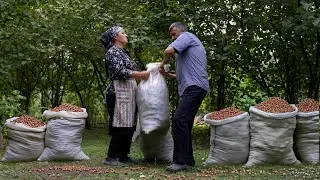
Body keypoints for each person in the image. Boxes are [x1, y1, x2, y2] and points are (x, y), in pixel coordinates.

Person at [159, 22, 209, 172]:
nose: (173, 38)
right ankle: (188, 159)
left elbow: (168, 51)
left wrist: (163, 64)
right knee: (185, 123)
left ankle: (180, 162)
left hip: (194, 87)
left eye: (174, 34)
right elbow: (183, 76)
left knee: (179, 119)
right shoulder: (186, 49)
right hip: (194, 87)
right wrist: (168, 75)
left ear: (181, 30)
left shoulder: (187, 36)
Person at [100, 25, 150, 166]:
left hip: (129, 92)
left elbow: (131, 71)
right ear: (116, 37)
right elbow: (118, 71)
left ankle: (123, 155)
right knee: (120, 124)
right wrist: (140, 74)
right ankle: (111, 157)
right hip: (118, 92)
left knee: (129, 125)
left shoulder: (123, 53)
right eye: (123, 33)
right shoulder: (112, 52)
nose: (126, 35)